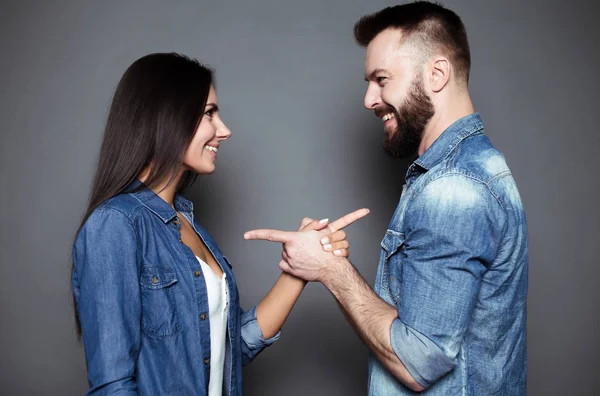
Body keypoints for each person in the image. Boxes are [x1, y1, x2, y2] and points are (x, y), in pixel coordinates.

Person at [244, 2, 528, 395]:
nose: (368, 99)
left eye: (381, 79)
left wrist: (330, 269)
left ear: (437, 74)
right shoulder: (469, 170)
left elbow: (417, 362)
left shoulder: (453, 188)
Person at [70, 52, 369, 395]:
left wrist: (299, 267)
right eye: (209, 113)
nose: (223, 130)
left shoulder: (187, 223)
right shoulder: (115, 224)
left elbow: (228, 349)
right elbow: (113, 385)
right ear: (166, 117)